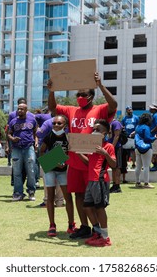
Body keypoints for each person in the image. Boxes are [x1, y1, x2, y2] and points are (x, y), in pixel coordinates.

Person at [47, 72, 117, 239]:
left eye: (83, 94)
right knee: (78, 195)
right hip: (75, 161)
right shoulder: (71, 110)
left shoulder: (99, 110)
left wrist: (100, 85)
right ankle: (84, 226)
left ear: (91, 97)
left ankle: (98, 230)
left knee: (93, 198)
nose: (79, 97)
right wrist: (51, 90)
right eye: (78, 95)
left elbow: (113, 105)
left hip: (93, 162)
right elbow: (53, 108)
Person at [78, 119, 116, 246]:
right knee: (87, 207)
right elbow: (89, 163)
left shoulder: (108, 146)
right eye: (93, 129)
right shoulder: (91, 147)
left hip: (100, 180)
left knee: (100, 208)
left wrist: (105, 153)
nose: (94, 131)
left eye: (98, 130)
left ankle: (105, 238)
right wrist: (78, 154)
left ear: (105, 133)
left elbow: (114, 165)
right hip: (91, 180)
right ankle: (98, 232)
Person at [40, 115, 76, 236]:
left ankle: (71, 224)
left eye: (59, 123)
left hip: (64, 170)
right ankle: (52, 225)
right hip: (50, 169)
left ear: (65, 125)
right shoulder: (49, 136)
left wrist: (66, 162)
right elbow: (41, 151)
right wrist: (51, 161)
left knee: (68, 197)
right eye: (54, 123)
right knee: (50, 197)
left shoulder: (69, 137)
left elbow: (74, 153)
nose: (56, 125)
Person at [8, 103, 38, 201]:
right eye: (18, 109)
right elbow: (8, 134)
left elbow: (35, 132)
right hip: (16, 148)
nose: (19, 111)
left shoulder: (32, 120)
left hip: (29, 147)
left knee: (31, 170)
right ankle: (18, 193)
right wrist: (13, 139)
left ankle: (31, 191)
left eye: (22, 109)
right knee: (16, 171)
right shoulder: (13, 121)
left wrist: (36, 142)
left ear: (26, 110)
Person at [35, 111, 65, 208]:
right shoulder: (66, 122)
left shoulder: (48, 122)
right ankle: (60, 201)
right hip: (62, 153)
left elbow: (39, 133)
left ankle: (47, 201)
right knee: (61, 180)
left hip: (49, 153)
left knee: (48, 180)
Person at [134, 113, 157, 189]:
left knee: (138, 166)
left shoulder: (137, 127)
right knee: (146, 166)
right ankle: (146, 183)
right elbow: (147, 138)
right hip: (146, 148)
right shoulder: (146, 127)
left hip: (137, 147)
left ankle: (137, 182)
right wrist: (154, 137)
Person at [109, 118, 123, 193]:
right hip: (112, 148)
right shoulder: (109, 123)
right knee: (113, 167)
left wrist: (111, 147)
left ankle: (117, 186)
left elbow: (117, 135)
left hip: (116, 148)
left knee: (117, 167)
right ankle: (114, 185)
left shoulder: (116, 123)